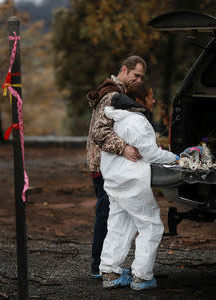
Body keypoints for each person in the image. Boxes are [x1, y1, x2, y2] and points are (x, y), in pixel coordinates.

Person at [99, 82, 179, 290]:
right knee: (151, 226)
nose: (153, 101)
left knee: (119, 225)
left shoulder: (119, 119)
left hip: (114, 181)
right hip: (131, 182)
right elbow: (151, 154)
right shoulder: (137, 122)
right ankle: (142, 276)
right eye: (150, 97)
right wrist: (176, 158)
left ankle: (109, 272)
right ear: (140, 100)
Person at [86, 56, 146, 278]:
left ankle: (104, 264)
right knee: (106, 212)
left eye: (142, 77)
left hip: (107, 163)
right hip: (104, 164)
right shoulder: (112, 95)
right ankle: (98, 266)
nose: (138, 79)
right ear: (124, 70)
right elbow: (99, 132)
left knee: (110, 212)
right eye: (135, 75)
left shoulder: (116, 93)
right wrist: (125, 149)